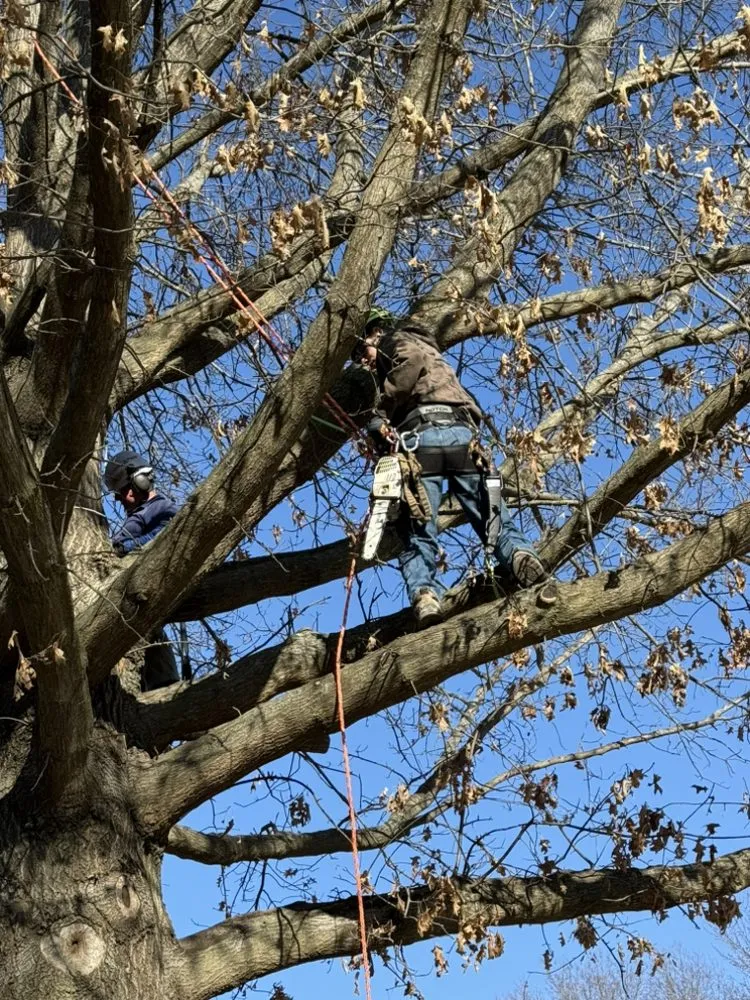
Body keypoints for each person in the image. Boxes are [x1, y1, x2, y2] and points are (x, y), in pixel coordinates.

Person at [354, 312, 558, 626]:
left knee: (417, 523)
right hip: (463, 438)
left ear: (376, 333)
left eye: (362, 351)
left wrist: (379, 410)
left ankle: (424, 594)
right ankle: (518, 556)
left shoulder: (395, 340)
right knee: (490, 513)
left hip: (424, 437)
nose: (363, 361)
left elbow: (409, 363)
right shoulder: (434, 354)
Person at [103, 450, 180, 689]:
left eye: (126, 489)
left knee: (162, 683)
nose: (124, 498)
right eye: (119, 494)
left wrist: (122, 548)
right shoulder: (137, 515)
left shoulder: (162, 509)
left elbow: (163, 538)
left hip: (145, 609)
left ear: (141, 480)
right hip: (127, 609)